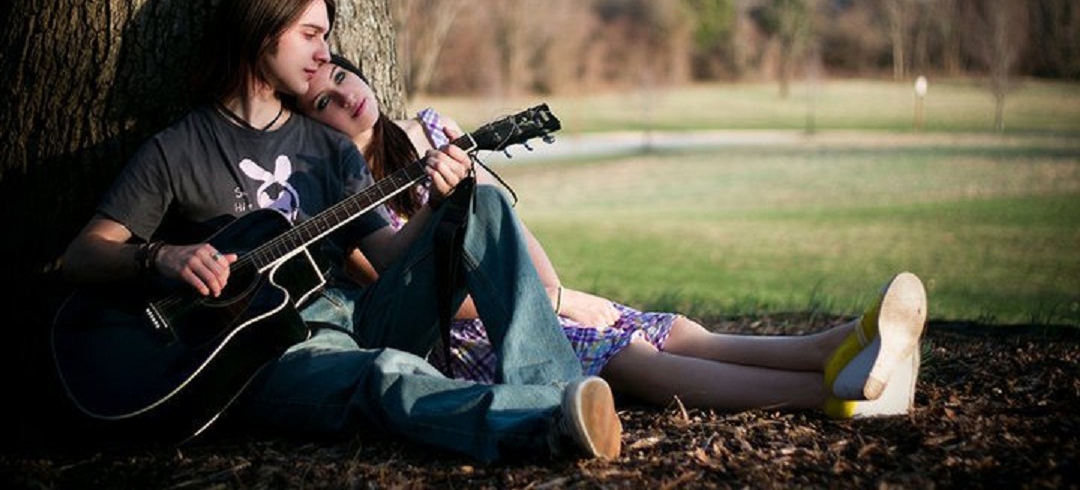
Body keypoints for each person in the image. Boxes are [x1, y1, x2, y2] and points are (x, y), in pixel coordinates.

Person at [58, 0, 624, 462]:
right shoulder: (179, 149)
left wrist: (439, 205)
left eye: (325, 37)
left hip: (358, 313)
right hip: (269, 352)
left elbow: (388, 256)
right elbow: (83, 256)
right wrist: (163, 256)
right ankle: (542, 426)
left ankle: (558, 394)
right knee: (383, 372)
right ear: (261, 30)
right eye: (310, 35)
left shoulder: (326, 147)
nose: (325, 52)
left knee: (486, 204)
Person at [296, 55, 929, 419]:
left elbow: (500, 221)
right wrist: (552, 302)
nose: (343, 98)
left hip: (531, 293)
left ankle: (845, 342)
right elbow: (415, 293)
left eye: (342, 79)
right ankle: (825, 396)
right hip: (466, 332)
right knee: (627, 358)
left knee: (672, 329)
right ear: (314, 126)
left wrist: (554, 289)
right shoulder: (343, 197)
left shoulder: (433, 128)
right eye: (322, 102)